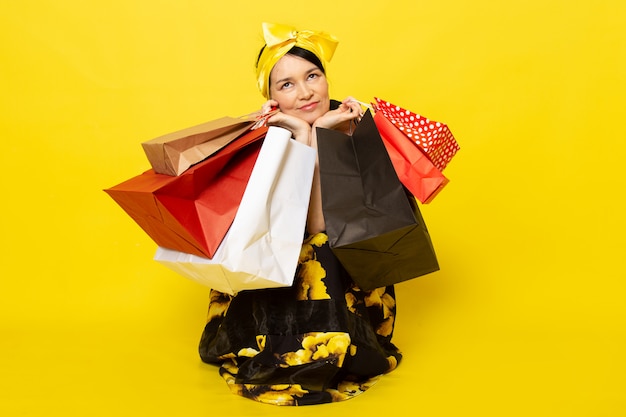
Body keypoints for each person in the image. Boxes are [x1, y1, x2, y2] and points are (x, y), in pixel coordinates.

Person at [198, 22, 402, 406]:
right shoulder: (263, 138)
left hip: (348, 283)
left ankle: (331, 345)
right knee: (298, 248)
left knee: (321, 246)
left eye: (313, 76)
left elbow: (323, 227)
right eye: (287, 84)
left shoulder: (352, 127)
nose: (306, 93)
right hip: (271, 284)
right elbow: (294, 230)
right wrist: (303, 136)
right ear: (271, 97)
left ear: (327, 78)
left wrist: (322, 134)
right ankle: (285, 346)